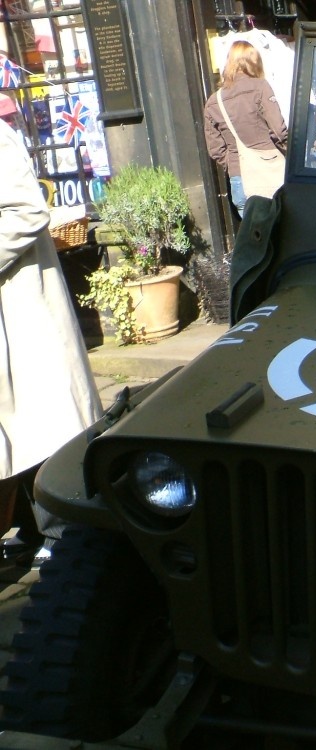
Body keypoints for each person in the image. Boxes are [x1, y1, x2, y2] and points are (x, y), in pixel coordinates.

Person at [0, 119, 103, 563]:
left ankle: (67, 536)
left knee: (45, 419)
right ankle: (31, 523)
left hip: (20, 303)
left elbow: (26, 210)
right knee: (15, 428)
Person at [203, 41, 288, 218]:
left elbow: (215, 149)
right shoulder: (260, 87)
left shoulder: (214, 101)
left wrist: (234, 163)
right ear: (254, 62)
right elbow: (279, 132)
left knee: (257, 243)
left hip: (240, 181)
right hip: (272, 175)